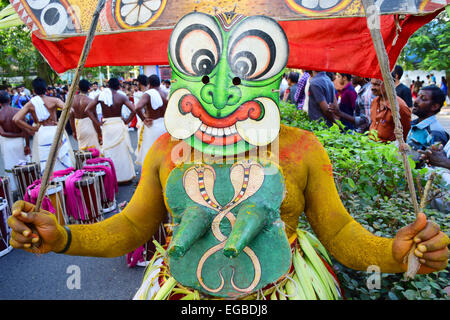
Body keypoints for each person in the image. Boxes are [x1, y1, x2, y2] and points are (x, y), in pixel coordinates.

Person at [7, 12, 449, 301]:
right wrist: (63, 238)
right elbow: (132, 227)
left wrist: (393, 255)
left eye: (245, 68)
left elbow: (338, 233)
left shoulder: (300, 148)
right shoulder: (165, 149)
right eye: (202, 65)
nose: (221, 92)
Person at [13, 78, 75, 174]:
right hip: (55, 130)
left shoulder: (31, 104)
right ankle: (65, 180)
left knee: (47, 162)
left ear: (34, 90)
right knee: (61, 158)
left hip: (42, 132)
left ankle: (50, 183)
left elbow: (16, 119)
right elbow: (70, 111)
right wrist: (60, 122)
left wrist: (32, 128)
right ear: (46, 89)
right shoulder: (54, 100)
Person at [86, 77, 136, 183]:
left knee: (110, 152)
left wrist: (97, 123)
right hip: (118, 124)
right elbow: (134, 110)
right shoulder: (121, 97)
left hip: (107, 125)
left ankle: (111, 178)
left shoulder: (101, 96)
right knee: (122, 151)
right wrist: (127, 121)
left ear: (108, 86)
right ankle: (124, 177)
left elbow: (88, 110)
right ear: (118, 86)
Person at [0, 91, 31, 191]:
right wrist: (27, 145)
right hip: (19, 142)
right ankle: (27, 186)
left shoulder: (1, 115)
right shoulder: (18, 111)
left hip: (7, 145)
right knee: (24, 165)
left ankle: (14, 189)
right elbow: (25, 130)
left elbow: (2, 133)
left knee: (10, 167)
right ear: (9, 100)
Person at [134, 75, 167, 167]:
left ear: (149, 84)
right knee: (164, 152)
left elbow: (137, 107)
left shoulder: (148, 93)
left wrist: (143, 119)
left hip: (152, 126)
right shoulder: (165, 93)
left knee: (150, 152)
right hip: (165, 126)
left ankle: (151, 177)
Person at [406, 85, 449, 154]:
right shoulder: (414, 124)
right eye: (417, 96)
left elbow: (435, 162)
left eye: (423, 98)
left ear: (434, 107)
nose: (416, 101)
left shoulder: (435, 133)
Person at [368, 78, 411, 143]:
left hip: (388, 150)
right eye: (372, 84)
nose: (372, 88)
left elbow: (405, 134)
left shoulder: (400, 107)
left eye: (376, 84)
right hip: (371, 147)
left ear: (388, 85)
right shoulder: (375, 101)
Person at [69, 79, 101, 151]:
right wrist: (99, 133)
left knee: (83, 151)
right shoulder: (90, 101)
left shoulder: (72, 100)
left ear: (78, 88)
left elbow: (71, 118)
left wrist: (74, 131)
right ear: (89, 88)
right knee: (94, 151)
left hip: (79, 127)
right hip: (89, 126)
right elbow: (95, 119)